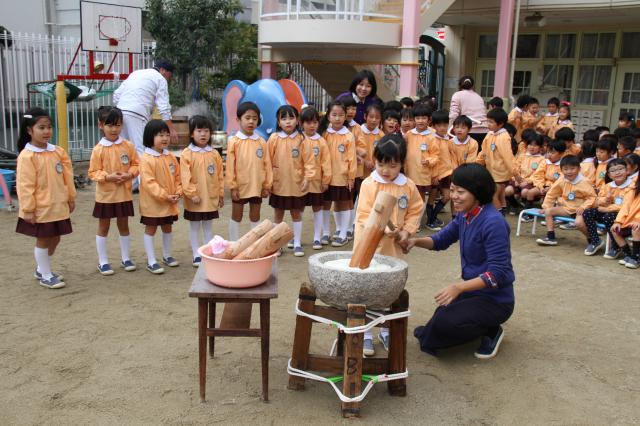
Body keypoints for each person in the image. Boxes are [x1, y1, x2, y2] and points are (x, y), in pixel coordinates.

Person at [400, 163, 515, 359]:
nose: (453, 196)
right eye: (452, 190)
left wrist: (459, 288)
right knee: (439, 317)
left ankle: (491, 330)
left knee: (444, 325)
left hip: (496, 300)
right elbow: (440, 240)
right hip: (474, 294)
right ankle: (481, 325)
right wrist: (414, 241)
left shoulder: (493, 223)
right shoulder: (465, 215)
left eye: (460, 192)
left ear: (477, 193)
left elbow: (497, 274)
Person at [354, 134, 423, 356]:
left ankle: (385, 329)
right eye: (381, 164)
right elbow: (364, 214)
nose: (385, 170)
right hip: (369, 244)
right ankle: (365, 333)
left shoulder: (408, 186)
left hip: (393, 249)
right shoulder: (368, 184)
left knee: (388, 288)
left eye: (392, 165)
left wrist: (406, 230)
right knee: (365, 287)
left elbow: (415, 209)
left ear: (402, 164)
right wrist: (381, 228)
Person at [16, 107, 76, 289]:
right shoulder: (27, 156)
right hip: (40, 207)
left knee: (56, 237)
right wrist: (28, 209)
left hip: (58, 204)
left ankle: (42, 268)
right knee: (43, 239)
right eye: (41, 128)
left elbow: (67, 176)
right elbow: (25, 185)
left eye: (49, 127)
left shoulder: (58, 151)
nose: (46, 131)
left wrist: (71, 197)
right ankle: (45, 274)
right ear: (29, 130)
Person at [88, 106, 139, 276]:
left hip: (124, 194)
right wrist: (107, 177)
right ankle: (103, 262)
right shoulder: (98, 150)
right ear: (100, 125)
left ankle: (126, 258)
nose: (114, 129)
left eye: (117, 125)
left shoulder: (128, 146)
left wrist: (128, 174)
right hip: (105, 196)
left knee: (124, 225)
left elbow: (136, 164)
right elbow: (93, 172)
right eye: (109, 125)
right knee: (103, 226)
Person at [113, 59, 178, 165]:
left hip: (119, 112)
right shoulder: (160, 79)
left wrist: (123, 108)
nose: (168, 79)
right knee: (140, 150)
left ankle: (127, 179)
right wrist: (171, 129)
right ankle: (142, 181)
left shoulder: (136, 73)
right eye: (169, 76)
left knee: (124, 149)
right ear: (163, 70)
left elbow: (116, 95)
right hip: (137, 114)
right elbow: (164, 107)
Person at [268, 105, 314, 257]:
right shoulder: (274, 138)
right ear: (278, 121)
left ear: (297, 120)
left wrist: (307, 178)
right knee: (278, 214)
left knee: (296, 213)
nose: (288, 122)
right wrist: (268, 182)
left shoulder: (302, 139)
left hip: (296, 184)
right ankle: (277, 244)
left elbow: (309, 161)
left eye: (291, 117)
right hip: (278, 184)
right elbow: (266, 162)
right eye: (284, 118)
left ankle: (297, 243)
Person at [139, 120, 182, 274]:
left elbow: (178, 177)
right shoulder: (146, 159)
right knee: (151, 229)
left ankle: (167, 255)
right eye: (160, 135)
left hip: (169, 202)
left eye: (166, 135)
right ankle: (151, 260)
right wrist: (165, 196)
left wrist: (178, 192)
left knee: (167, 227)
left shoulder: (170, 157)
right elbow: (149, 183)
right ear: (150, 137)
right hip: (153, 204)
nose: (164, 138)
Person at [180, 115, 224, 267]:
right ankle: (196, 254)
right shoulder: (187, 153)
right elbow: (185, 177)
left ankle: (208, 253)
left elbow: (220, 176)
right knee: (194, 226)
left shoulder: (214, 153)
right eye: (199, 131)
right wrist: (192, 194)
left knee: (208, 226)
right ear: (192, 133)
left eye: (206, 131)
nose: (203, 134)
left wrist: (220, 194)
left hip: (210, 197)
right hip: (195, 200)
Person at [225, 102, 273, 241]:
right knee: (237, 216)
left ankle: (254, 243)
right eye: (247, 118)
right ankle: (234, 243)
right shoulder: (234, 141)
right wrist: (233, 186)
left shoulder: (262, 142)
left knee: (255, 215)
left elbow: (267, 165)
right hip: (240, 186)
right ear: (238, 120)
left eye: (254, 118)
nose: (251, 121)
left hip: (257, 186)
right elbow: (229, 166)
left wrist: (266, 185)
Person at [536, 155, 596, 246]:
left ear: (579, 169)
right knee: (548, 211)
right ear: (561, 170)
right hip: (567, 208)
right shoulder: (561, 179)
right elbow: (552, 193)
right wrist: (546, 206)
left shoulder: (584, 181)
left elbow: (592, 197)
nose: (569, 172)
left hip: (580, 210)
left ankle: (592, 240)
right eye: (566, 169)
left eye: (572, 168)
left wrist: (583, 207)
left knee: (578, 223)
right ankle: (550, 237)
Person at [320, 101, 356, 247]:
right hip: (326, 177)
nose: (337, 118)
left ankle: (342, 233)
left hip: (342, 176)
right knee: (325, 204)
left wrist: (351, 176)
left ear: (345, 117)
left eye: (341, 115)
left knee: (343, 204)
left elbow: (352, 158)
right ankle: (326, 233)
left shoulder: (348, 136)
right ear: (328, 116)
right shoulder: (323, 134)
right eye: (334, 115)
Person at [580, 159, 632, 257]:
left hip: (624, 215)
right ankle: (595, 241)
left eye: (621, 169)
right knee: (588, 212)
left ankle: (616, 246)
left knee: (608, 217)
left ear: (627, 171)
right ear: (608, 174)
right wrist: (605, 200)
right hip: (609, 211)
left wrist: (607, 208)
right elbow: (597, 201)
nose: (617, 172)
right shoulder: (607, 186)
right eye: (613, 170)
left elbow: (627, 205)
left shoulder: (631, 186)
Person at [300, 106, 331, 249]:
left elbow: (326, 162)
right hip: (301, 183)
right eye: (308, 122)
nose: (311, 125)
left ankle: (317, 238)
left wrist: (326, 180)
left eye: (314, 122)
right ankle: (296, 239)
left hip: (317, 183)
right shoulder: (298, 140)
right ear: (301, 124)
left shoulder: (322, 142)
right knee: (298, 209)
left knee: (317, 208)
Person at [403, 103, 439, 226]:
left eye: (424, 118)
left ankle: (416, 222)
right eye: (417, 118)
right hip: (409, 172)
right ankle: (408, 219)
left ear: (429, 120)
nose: (420, 121)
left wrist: (429, 161)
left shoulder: (432, 136)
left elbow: (435, 155)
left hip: (423, 173)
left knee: (420, 198)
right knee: (408, 196)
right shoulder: (409, 134)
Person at [477, 108, 515, 213]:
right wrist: (476, 164)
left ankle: (498, 217)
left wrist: (515, 174)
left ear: (500, 124)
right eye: (487, 121)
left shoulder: (503, 137)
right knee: (500, 197)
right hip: (492, 172)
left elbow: (508, 157)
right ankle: (501, 217)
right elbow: (483, 151)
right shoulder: (490, 134)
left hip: (500, 173)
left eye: (491, 122)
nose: (488, 124)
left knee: (493, 196)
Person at [426, 110, 454, 230]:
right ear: (434, 126)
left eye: (445, 125)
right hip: (437, 175)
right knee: (433, 198)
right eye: (439, 125)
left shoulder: (447, 139)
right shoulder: (433, 140)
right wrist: (435, 176)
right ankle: (430, 221)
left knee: (445, 197)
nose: (442, 128)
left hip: (446, 173)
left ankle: (433, 217)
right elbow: (433, 159)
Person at [448, 76, 489, 144]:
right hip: (484, 130)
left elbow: (453, 115)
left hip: (468, 130)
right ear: (472, 86)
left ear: (460, 85)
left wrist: (450, 129)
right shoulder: (478, 97)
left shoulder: (457, 95)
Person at [611, 177, 640, 268]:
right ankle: (629, 255)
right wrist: (618, 221)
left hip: (637, 222)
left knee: (636, 229)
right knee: (615, 229)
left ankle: (636, 258)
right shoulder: (633, 188)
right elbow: (625, 206)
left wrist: (638, 221)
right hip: (630, 221)